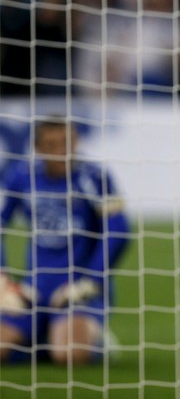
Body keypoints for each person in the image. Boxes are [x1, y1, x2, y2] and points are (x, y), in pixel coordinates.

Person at [0, 117, 131, 365]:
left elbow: (118, 230)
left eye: (66, 143)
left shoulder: (93, 178)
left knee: (70, 355)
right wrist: (3, 279)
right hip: (34, 287)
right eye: (51, 145)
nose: (61, 151)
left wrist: (92, 280)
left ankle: (96, 341)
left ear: (76, 142)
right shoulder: (22, 175)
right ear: (38, 148)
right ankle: (43, 336)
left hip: (79, 288)